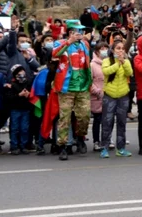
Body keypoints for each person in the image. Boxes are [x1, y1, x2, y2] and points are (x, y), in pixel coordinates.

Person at [51, 19, 92, 161]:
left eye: (82, 31)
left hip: (83, 87)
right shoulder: (60, 43)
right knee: (64, 118)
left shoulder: (84, 45)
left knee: (85, 115)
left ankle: (80, 137)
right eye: (78, 31)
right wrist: (68, 42)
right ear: (71, 32)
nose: (81, 33)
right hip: (66, 87)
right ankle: (62, 146)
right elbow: (55, 54)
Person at [100, 40, 133, 158]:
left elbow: (130, 72)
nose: (121, 51)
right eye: (118, 48)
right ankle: (104, 147)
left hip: (123, 95)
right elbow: (106, 71)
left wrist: (123, 62)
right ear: (113, 50)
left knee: (121, 122)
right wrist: (117, 64)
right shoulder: (106, 61)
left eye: (122, 48)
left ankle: (121, 148)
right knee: (107, 122)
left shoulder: (126, 61)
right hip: (109, 95)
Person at [4, 64, 33, 155]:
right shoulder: (12, 85)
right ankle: (14, 146)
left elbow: (32, 95)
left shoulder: (27, 83)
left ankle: (23, 146)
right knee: (15, 128)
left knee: (24, 128)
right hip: (15, 109)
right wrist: (19, 95)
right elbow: (9, 97)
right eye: (20, 73)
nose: (22, 75)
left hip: (25, 109)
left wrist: (28, 94)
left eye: (23, 73)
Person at [90, 42, 108, 151]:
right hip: (97, 96)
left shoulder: (109, 63)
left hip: (109, 95)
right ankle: (96, 141)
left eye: (106, 48)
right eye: (102, 48)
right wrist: (97, 91)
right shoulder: (92, 65)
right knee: (98, 120)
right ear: (97, 51)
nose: (104, 50)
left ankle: (106, 139)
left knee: (108, 120)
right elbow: (89, 81)